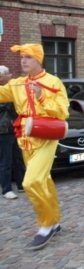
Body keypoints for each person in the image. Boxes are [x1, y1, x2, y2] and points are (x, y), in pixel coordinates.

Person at [0, 44, 69, 250]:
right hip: (26, 137)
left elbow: (61, 112)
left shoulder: (52, 82)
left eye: (28, 57)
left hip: (46, 136)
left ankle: (45, 225)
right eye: (22, 57)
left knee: (31, 182)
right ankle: (55, 220)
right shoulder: (17, 83)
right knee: (45, 181)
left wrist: (40, 96)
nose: (24, 60)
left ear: (39, 60)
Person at [0, 65, 25, 200]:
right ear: (1, 77)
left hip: (15, 129)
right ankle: (6, 189)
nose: (11, 75)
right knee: (6, 161)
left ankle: (21, 184)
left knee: (18, 158)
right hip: (3, 131)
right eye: (8, 74)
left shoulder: (11, 89)